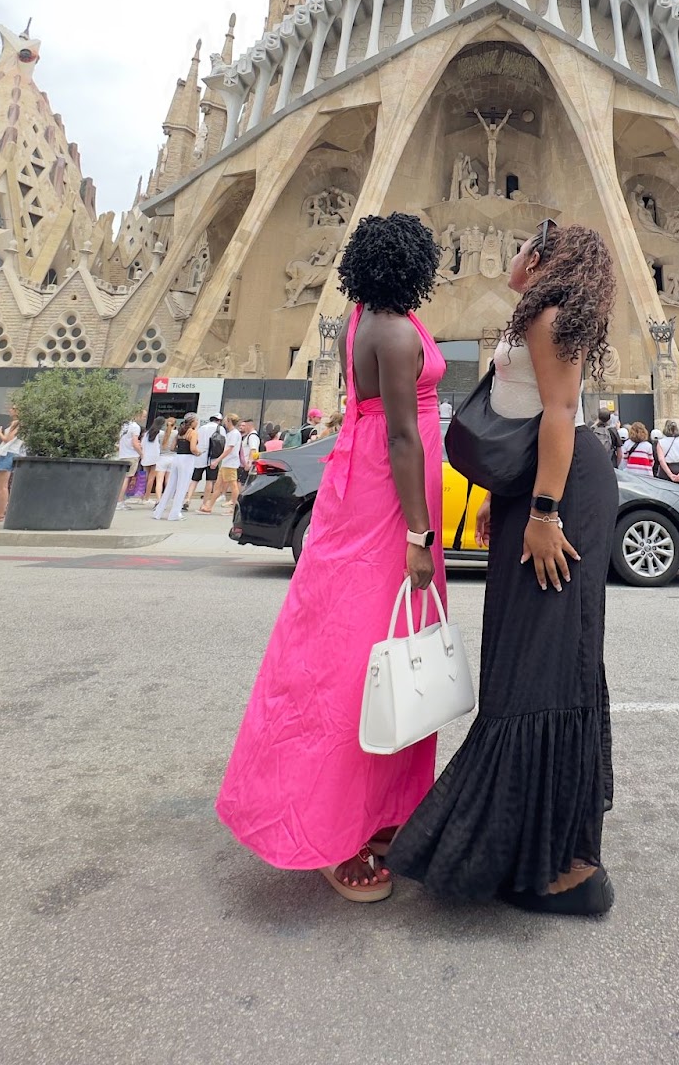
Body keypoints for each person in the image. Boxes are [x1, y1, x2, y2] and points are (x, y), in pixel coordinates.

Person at [390, 220, 619, 916]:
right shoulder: (537, 314)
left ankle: (562, 864)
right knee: (526, 654)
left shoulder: (551, 316)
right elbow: (521, 411)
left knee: (545, 655)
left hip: (564, 490)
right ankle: (537, 845)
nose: (513, 255)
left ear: (541, 258)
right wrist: (504, 494)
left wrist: (544, 511)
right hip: (538, 486)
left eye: (523, 246)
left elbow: (561, 410)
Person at [217, 212, 445, 904]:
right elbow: (402, 436)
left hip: (364, 482)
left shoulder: (362, 318)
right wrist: (418, 535)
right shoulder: (396, 331)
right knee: (358, 659)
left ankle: (379, 812)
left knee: (379, 651)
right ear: (414, 266)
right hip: (387, 498)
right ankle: (331, 831)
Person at [153, 413, 200, 522]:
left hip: (177, 457)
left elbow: (172, 447)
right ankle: (175, 513)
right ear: (192, 422)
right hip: (187, 459)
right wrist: (198, 453)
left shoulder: (180, 432)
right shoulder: (193, 433)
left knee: (171, 485)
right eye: (196, 421)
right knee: (182, 486)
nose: (197, 423)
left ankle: (158, 511)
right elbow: (193, 448)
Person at [202, 415, 242, 514]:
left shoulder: (234, 434)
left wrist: (217, 460)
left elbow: (229, 449)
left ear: (229, 421)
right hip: (226, 463)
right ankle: (209, 506)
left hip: (230, 463)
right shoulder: (230, 433)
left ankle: (234, 508)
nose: (224, 422)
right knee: (218, 485)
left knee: (233, 485)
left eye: (225, 420)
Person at [187, 414, 225, 509]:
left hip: (200, 456)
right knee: (209, 481)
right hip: (213, 458)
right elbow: (224, 442)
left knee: (194, 480)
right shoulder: (220, 429)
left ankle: (188, 499)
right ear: (219, 420)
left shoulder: (202, 428)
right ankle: (204, 503)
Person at [117, 409, 145, 506]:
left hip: (123, 454)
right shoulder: (135, 427)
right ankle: (120, 501)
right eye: (143, 416)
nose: (144, 418)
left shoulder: (125, 426)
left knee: (122, 478)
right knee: (127, 478)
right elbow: (134, 442)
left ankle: (119, 499)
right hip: (131, 455)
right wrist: (141, 453)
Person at [141, 418, 164, 503]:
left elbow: (142, 445)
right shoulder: (161, 433)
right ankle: (147, 498)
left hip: (146, 457)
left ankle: (142, 497)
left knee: (145, 477)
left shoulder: (146, 433)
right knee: (151, 478)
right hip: (156, 457)